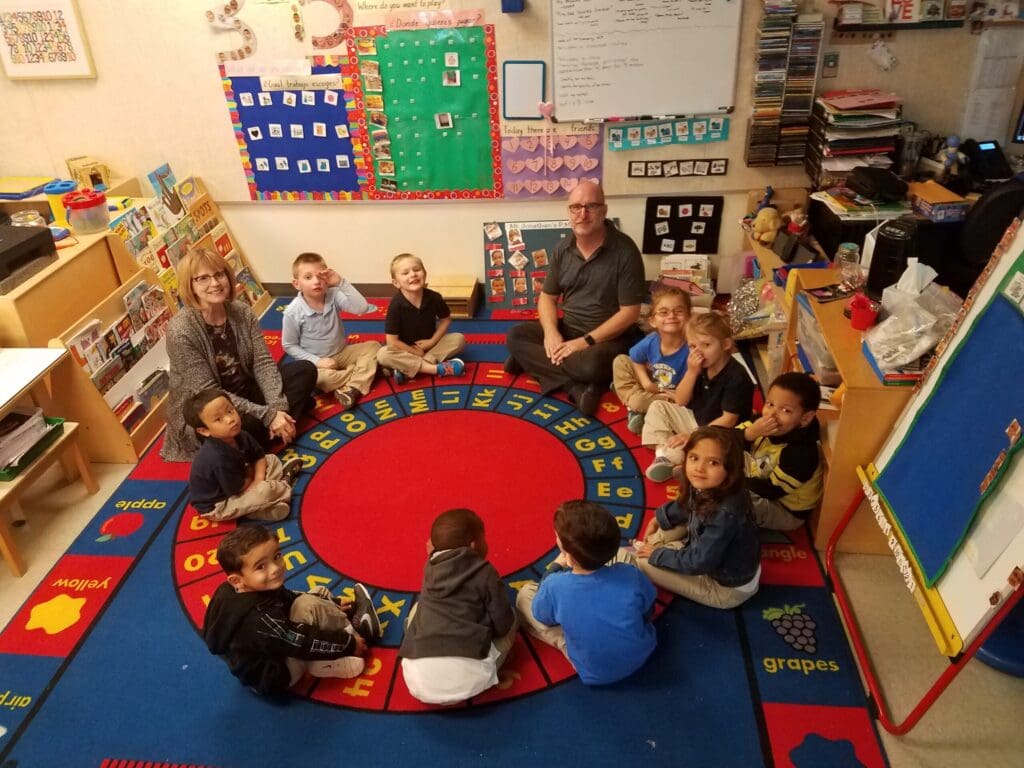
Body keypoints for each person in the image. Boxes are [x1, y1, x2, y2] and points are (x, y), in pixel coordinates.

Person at [162, 247, 317, 462]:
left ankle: (276, 427)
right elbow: (210, 393)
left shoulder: (241, 311)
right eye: (203, 278)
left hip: (245, 391)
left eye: (219, 274)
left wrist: (276, 408)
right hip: (211, 413)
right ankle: (279, 427)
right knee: (242, 427)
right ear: (190, 286)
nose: (215, 283)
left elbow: (262, 363)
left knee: (305, 370)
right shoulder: (181, 331)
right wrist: (267, 415)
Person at [505, 181, 646, 416]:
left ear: (604, 210)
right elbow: (547, 298)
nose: (583, 214)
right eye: (576, 207)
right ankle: (574, 387)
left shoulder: (625, 251)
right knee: (515, 336)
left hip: (606, 340)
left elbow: (630, 313)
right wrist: (551, 333)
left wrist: (585, 342)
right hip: (569, 329)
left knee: (591, 365)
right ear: (568, 211)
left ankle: (533, 362)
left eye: (591, 206)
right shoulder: (563, 248)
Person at [203, 525, 383, 695]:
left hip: (265, 654)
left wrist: (332, 602)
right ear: (237, 580)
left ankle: (331, 627)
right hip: (277, 674)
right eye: (261, 566)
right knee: (308, 605)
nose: (275, 568)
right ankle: (357, 631)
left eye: (277, 556)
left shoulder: (231, 590)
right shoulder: (260, 619)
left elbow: (284, 597)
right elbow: (300, 641)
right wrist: (348, 643)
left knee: (318, 593)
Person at [516, 500, 657, 686]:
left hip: (595, 672)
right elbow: (648, 611)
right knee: (626, 557)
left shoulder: (555, 585)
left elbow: (543, 616)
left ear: (566, 552)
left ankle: (570, 645)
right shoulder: (629, 573)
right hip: (643, 651)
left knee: (525, 597)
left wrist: (556, 567)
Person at [632, 426, 760, 610]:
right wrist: (658, 518)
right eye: (694, 458)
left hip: (726, 590)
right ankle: (656, 547)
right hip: (726, 563)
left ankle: (655, 549)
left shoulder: (725, 513)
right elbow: (686, 506)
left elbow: (698, 561)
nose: (699, 468)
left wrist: (657, 554)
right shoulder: (712, 484)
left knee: (644, 562)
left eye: (713, 463)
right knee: (669, 527)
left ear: (730, 468)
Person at [400, 508, 517, 704]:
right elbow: (503, 624)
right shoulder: (485, 571)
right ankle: (487, 669)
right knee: (513, 617)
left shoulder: (430, 567)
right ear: (473, 545)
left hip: (417, 684)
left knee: (417, 611)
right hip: (471, 681)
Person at [641, 312, 754, 482]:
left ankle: (680, 459)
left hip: (723, 434)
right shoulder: (698, 364)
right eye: (692, 346)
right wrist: (692, 372)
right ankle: (663, 454)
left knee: (705, 451)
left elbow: (729, 421)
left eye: (706, 344)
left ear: (725, 344)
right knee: (658, 406)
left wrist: (692, 435)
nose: (698, 352)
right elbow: (681, 400)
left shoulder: (736, 377)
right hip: (698, 420)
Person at [185, 388, 304, 521]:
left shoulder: (241, 435)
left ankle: (264, 504)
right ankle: (284, 483)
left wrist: (258, 479)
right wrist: (255, 481)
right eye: (219, 419)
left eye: (230, 411)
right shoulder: (216, 457)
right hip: (220, 504)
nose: (230, 419)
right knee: (265, 491)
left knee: (271, 460)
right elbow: (236, 489)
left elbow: (259, 456)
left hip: (244, 479)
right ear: (204, 431)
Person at [281, 252, 381, 411]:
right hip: (317, 363)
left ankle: (352, 387)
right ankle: (364, 372)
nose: (316, 281)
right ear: (296, 284)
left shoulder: (333, 295)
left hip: (341, 351)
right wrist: (317, 361)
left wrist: (341, 283)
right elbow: (289, 345)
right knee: (318, 379)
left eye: (320, 276)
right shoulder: (293, 312)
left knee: (374, 347)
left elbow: (361, 308)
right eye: (308, 277)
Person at [741, 372, 823, 531]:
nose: (771, 414)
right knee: (715, 452)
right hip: (756, 477)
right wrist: (750, 433)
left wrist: (729, 482)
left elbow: (772, 491)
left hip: (783, 508)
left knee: (728, 498)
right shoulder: (761, 422)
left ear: (805, 418)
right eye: (770, 404)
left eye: (785, 410)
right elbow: (726, 440)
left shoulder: (802, 453)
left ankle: (700, 525)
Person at [611, 286, 691, 435]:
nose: (671, 316)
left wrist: (664, 395)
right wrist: (646, 383)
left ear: (689, 317)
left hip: (673, 396)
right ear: (653, 321)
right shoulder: (652, 340)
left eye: (679, 311)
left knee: (638, 401)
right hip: (653, 382)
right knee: (621, 361)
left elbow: (688, 392)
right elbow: (635, 358)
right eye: (663, 312)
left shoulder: (691, 348)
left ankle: (634, 403)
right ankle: (635, 399)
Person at [376, 253, 466, 384]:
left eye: (417, 270)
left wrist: (432, 341)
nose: (413, 274)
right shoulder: (396, 305)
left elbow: (446, 319)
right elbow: (392, 341)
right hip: (404, 349)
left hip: (430, 346)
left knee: (459, 339)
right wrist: (414, 352)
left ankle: (408, 370)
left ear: (425, 273)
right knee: (383, 354)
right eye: (405, 273)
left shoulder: (434, 297)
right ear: (396, 283)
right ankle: (436, 369)